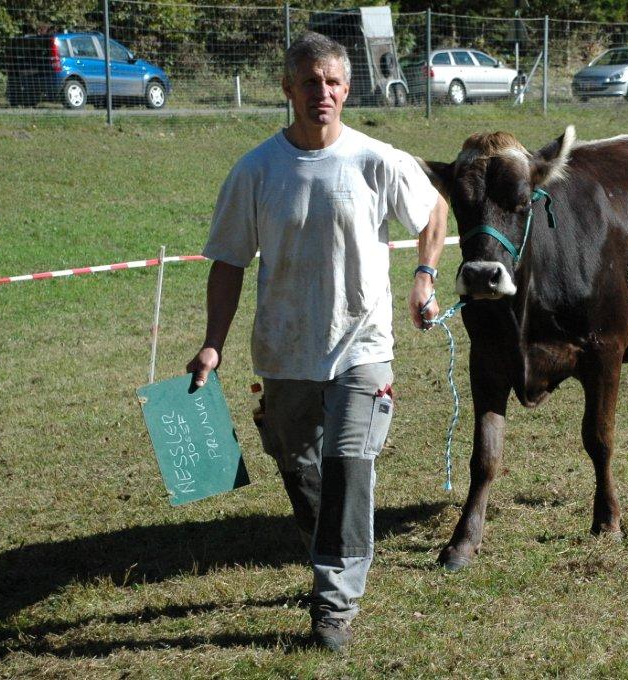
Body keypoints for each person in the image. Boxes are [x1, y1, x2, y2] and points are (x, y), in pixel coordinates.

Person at [186, 32, 447, 652]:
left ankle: (333, 606)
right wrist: (212, 343)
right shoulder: (256, 170)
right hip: (285, 352)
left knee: (349, 468)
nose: (321, 93)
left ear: (347, 89)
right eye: (309, 81)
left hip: (363, 347)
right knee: (300, 468)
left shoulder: (376, 160)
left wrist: (424, 276)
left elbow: (434, 209)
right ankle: (331, 552)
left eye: (332, 82)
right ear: (288, 88)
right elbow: (228, 262)